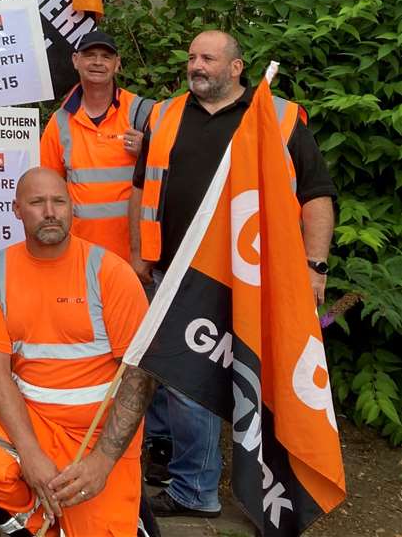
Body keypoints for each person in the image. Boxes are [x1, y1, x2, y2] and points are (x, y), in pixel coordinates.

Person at [129, 29, 336, 519]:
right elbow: (141, 188)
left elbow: (317, 197)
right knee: (183, 381)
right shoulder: (164, 114)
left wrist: (315, 267)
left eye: (207, 58)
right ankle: (195, 487)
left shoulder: (278, 117)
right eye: (191, 57)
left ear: (237, 67)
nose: (196, 66)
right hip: (178, 275)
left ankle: (272, 482)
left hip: (251, 281)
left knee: (253, 382)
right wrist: (139, 255)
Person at [0, 167, 154, 537]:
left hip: (97, 434)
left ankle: (124, 510)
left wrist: (102, 462)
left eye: (59, 201)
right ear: (16, 210)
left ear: (71, 208)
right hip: (35, 424)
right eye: (37, 202)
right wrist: (29, 454)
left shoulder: (110, 272)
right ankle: (43, 524)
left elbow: (141, 378)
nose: (50, 211)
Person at [38, 30, 153, 262]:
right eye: (90, 55)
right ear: (75, 61)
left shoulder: (143, 112)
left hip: (135, 256)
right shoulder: (60, 121)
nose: (98, 62)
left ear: (117, 64)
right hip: (78, 255)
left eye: (106, 56)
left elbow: (171, 172)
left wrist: (148, 151)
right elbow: (47, 189)